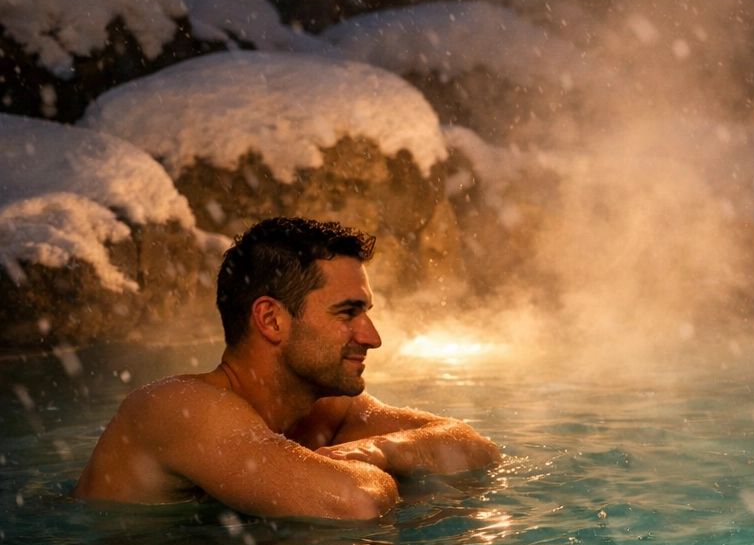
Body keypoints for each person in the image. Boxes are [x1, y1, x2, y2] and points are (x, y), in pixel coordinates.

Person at [75, 217, 501, 520]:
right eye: (347, 313)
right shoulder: (178, 407)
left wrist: (383, 450)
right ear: (272, 320)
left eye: (366, 312)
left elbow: (475, 449)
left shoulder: (324, 409)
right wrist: (392, 478)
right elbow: (357, 502)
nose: (372, 336)